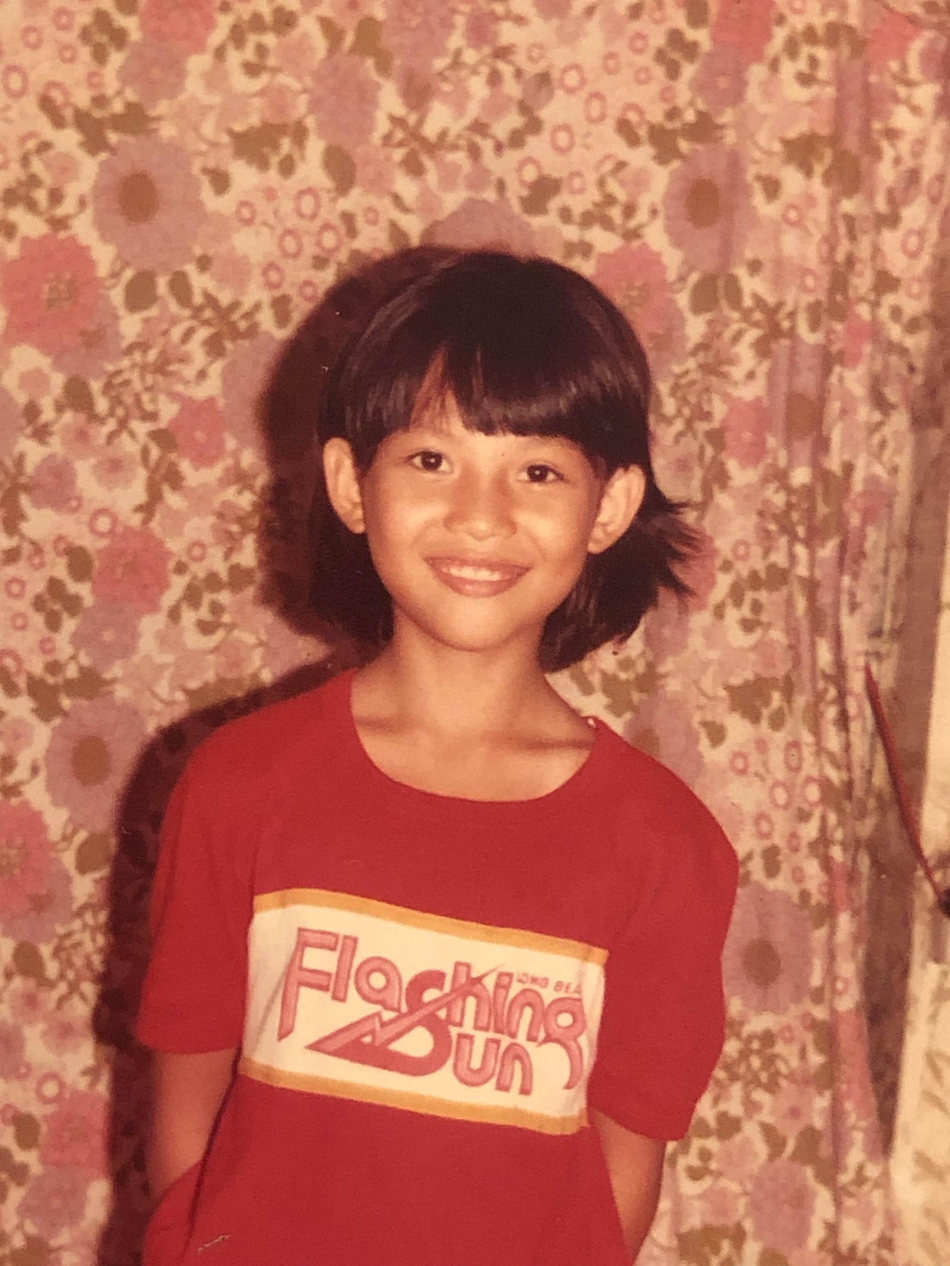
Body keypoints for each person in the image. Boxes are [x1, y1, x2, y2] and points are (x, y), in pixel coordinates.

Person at [137, 249, 738, 1266]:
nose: (480, 516)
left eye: (536, 471)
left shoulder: (664, 844)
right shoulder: (240, 785)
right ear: (350, 483)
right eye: (430, 460)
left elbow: (623, 1173)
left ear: (608, 506)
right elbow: (185, 1118)